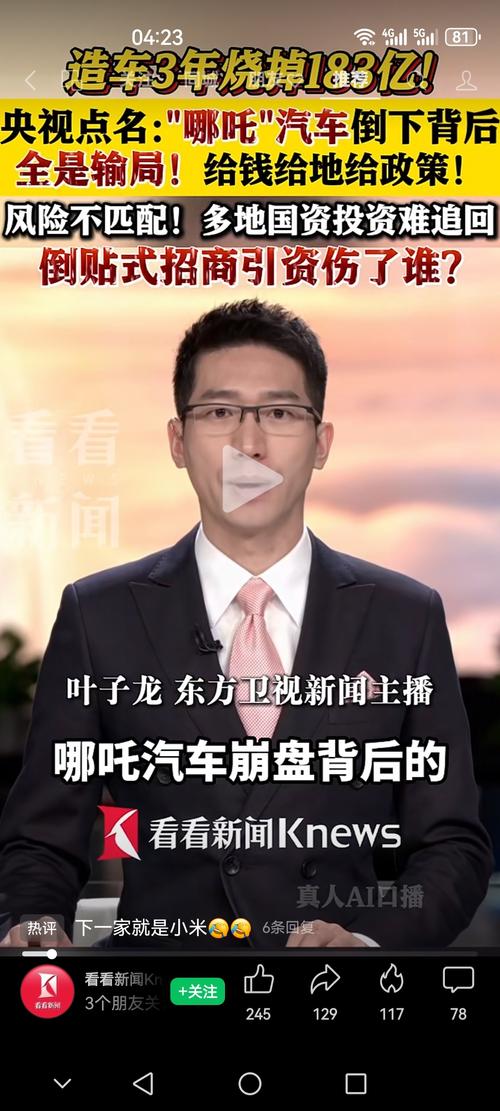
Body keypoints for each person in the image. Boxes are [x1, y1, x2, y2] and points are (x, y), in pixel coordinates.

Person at [0, 299, 493, 950]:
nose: (249, 445)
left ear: (321, 443)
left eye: (280, 413)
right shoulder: (100, 616)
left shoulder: (405, 618)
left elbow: (452, 845)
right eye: (219, 412)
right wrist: (33, 923)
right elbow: (42, 839)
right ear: (178, 442)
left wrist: (368, 942)